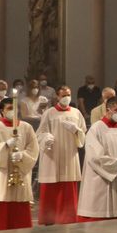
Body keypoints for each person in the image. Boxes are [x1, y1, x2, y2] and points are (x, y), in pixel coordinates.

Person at [78, 96, 117, 221]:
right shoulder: (96, 129)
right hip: (104, 179)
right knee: (103, 216)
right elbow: (94, 156)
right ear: (108, 110)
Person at [0, 97, 38, 231]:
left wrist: (22, 155)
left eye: (15, 108)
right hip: (1, 174)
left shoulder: (26, 127)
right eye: (9, 108)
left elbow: (33, 149)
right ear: (2, 111)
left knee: (19, 202)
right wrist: (5, 145)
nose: (13, 111)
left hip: (20, 171)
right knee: (2, 198)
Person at [34, 85, 86, 224]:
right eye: (63, 95)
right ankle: (49, 218)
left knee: (68, 187)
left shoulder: (76, 113)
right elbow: (40, 133)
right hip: (53, 155)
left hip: (69, 154)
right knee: (52, 187)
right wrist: (46, 138)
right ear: (57, 96)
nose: (66, 98)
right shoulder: (49, 113)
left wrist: (76, 131)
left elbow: (83, 134)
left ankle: (68, 217)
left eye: (68, 94)